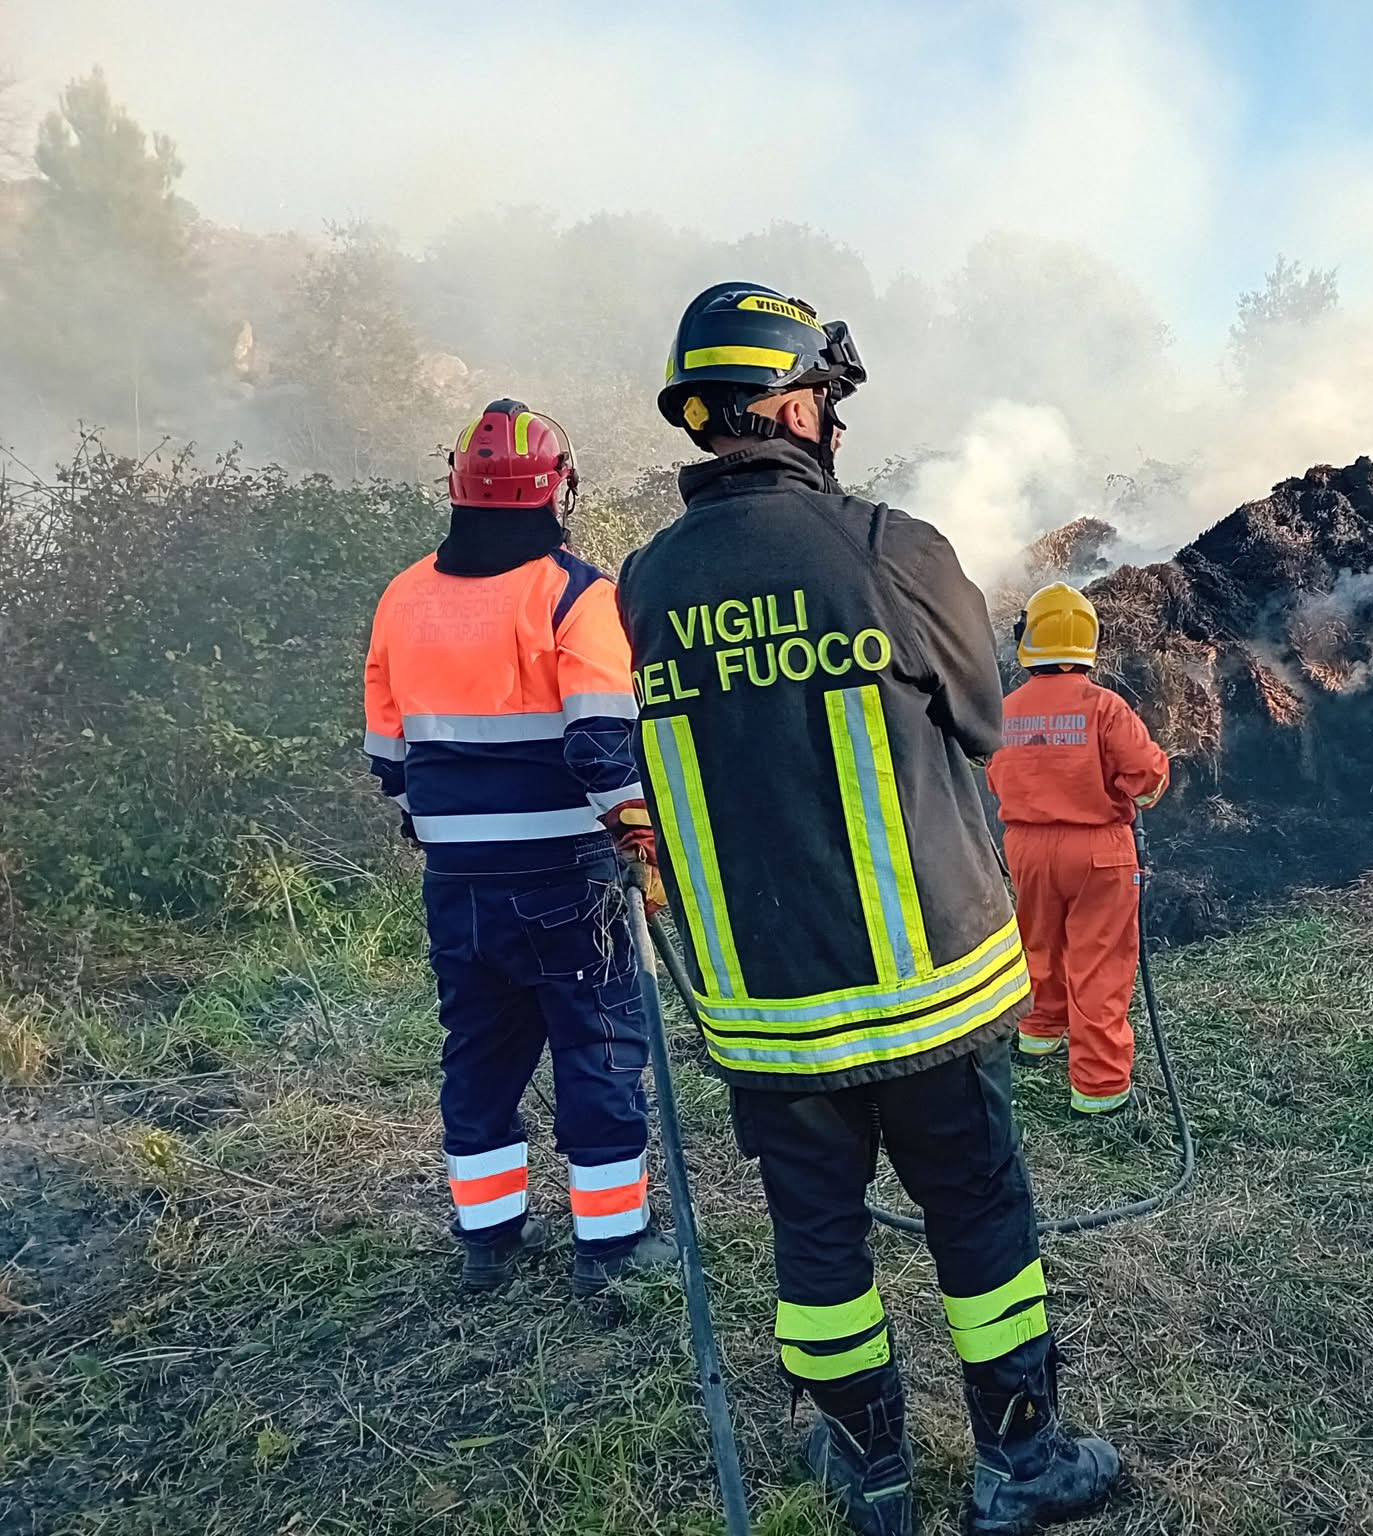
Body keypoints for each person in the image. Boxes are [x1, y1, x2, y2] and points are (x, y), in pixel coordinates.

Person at [616, 284, 1119, 1536]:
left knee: (818, 1248)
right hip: (932, 991)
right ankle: (1019, 1462)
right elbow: (985, 721)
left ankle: (869, 1471)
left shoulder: (643, 584)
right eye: (824, 399)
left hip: (767, 1014)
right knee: (980, 1217)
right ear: (793, 404)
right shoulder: (896, 550)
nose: (830, 422)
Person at [363, 399, 674, 1297]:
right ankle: (613, 1249)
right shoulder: (579, 595)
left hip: (456, 879)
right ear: (559, 489)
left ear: (455, 487)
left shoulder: (404, 593)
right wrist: (640, 834)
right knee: (600, 1046)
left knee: (479, 1052)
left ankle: (487, 1241)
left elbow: (388, 757)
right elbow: (600, 746)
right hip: (565, 875)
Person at [987, 585, 1170, 1116]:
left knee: (1037, 944)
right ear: (1089, 642)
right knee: (1100, 962)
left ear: (1028, 639)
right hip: (1100, 852)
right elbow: (1146, 781)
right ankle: (1099, 1088)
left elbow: (993, 773)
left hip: (1026, 847)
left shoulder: (1006, 709)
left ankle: (1038, 1034)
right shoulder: (1105, 707)